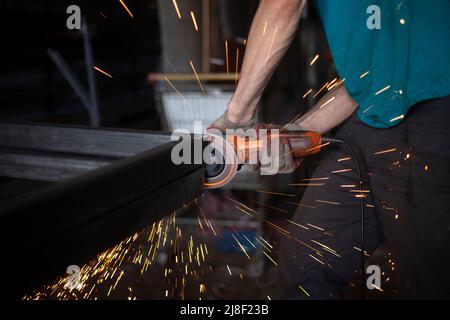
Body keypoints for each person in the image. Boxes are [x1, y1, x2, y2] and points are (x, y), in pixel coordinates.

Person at [210, 0, 450, 299]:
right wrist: (296, 133)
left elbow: (282, 4)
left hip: (432, 114)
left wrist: (236, 117)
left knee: (429, 280)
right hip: (369, 122)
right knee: (305, 266)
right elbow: (366, 80)